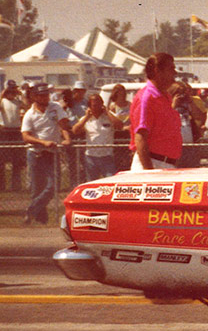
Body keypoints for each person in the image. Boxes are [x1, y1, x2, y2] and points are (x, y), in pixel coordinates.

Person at [21, 82, 71, 224]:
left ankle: (31, 210)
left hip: (51, 153)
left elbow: (63, 126)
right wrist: (43, 142)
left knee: (53, 186)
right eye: (42, 95)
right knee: (36, 188)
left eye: (46, 95)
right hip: (36, 154)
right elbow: (26, 136)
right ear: (35, 96)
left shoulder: (55, 107)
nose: (45, 97)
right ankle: (40, 220)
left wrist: (66, 139)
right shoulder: (29, 114)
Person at [128, 52, 182, 170]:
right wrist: (150, 173)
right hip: (152, 164)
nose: (175, 73)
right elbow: (140, 137)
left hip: (166, 164)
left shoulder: (166, 97)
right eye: (171, 68)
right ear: (158, 70)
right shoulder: (146, 98)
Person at [71, 92, 119, 179]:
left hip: (107, 156)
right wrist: (86, 117)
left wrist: (107, 112)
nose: (96, 107)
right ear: (89, 106)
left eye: (98, 104)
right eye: (94, 105)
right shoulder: (85, 119)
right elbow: (75, 130)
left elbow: (120, 125)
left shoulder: (109, 117)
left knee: (110, 180)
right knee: (92, 182)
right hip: (91, 157)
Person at [1, 80, 26, 192]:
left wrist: (21, 94)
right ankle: (2, 186)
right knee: (1, 160)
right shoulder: (3, 101)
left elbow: (27, 106)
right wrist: (3, 92)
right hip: (5, 131)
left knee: (17, 160)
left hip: (16, 131)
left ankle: (16, 185)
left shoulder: (17, 101)